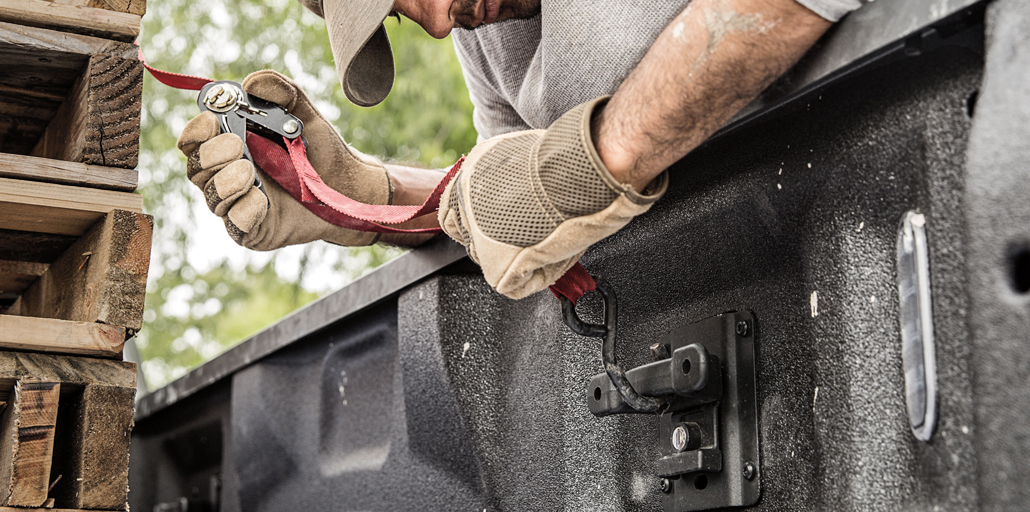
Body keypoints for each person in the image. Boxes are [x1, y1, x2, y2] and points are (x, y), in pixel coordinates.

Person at [177, 0, 861, 299]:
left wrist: (601, 157)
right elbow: (513, 199)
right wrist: (363, 198)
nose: (440, 23)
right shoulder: (487, 38)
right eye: (397, 11)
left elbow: (562, 179)